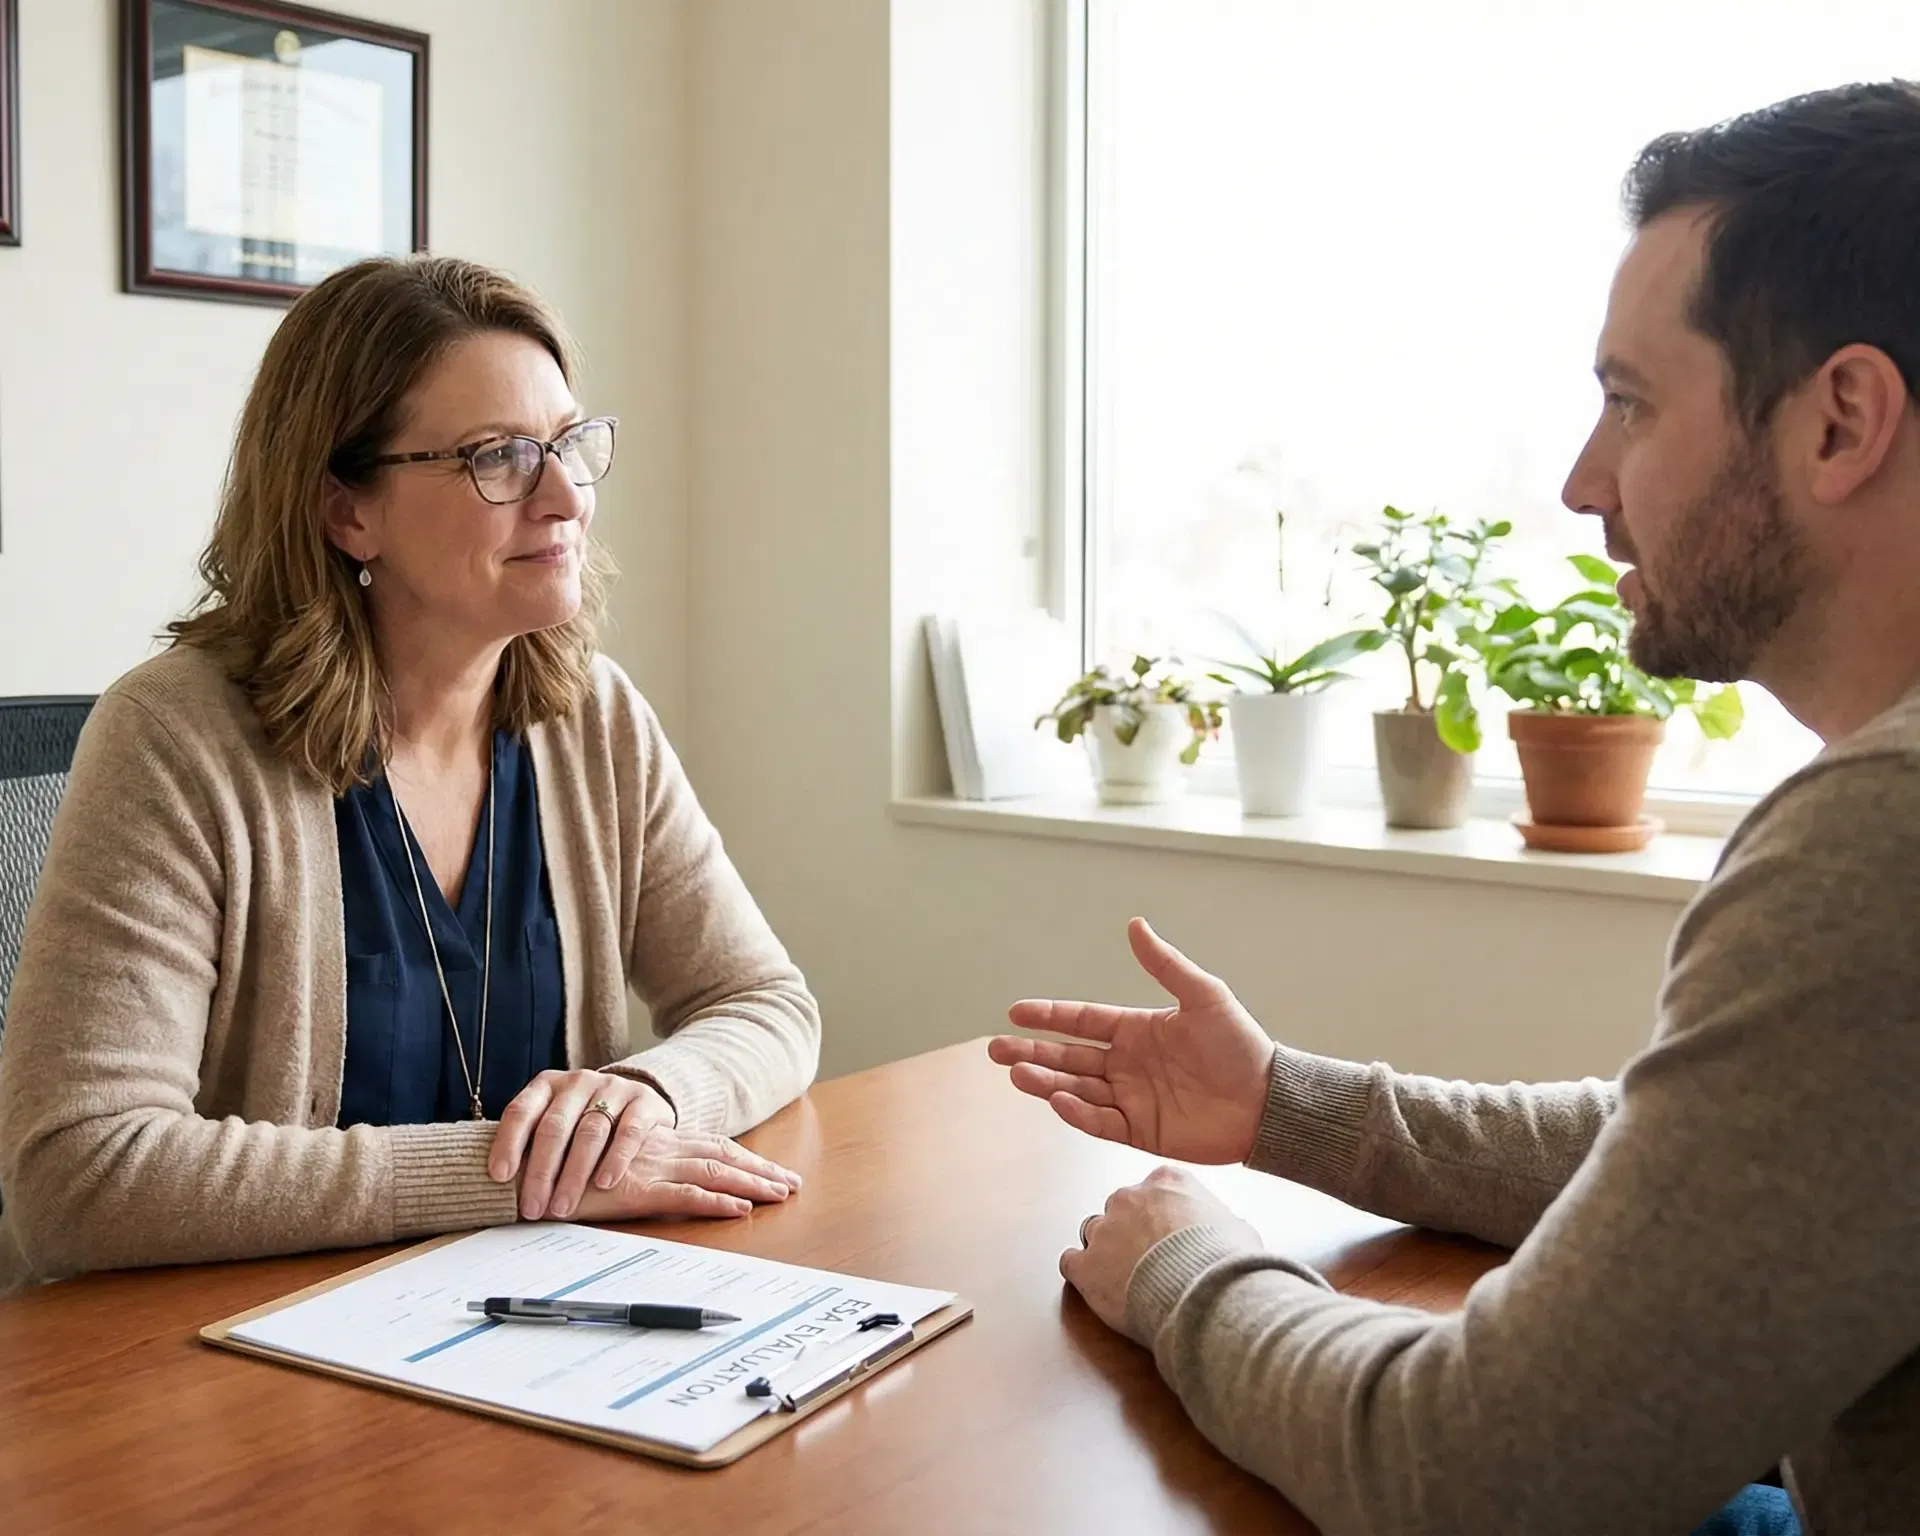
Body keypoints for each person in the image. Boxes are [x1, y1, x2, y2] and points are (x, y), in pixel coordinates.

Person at [991, 82, 1920, 1536]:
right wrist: (1282, 1104)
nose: (1581, 481)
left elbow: (1471, 1471)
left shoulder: (1884, 841)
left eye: (1631, 400)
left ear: (1842, 420)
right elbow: (1710, 1160)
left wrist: (1188, 1268)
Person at [0, 256, 817, 1294]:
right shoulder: (176, 737)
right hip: (226, 1371)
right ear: (348, 511)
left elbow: (766, 1003)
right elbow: (78, 1173)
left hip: (528, 1332)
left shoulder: (592, 717)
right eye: (501, 458)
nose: (565, 494)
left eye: (569, 444)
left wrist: (651, 1099)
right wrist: (510, 1177)